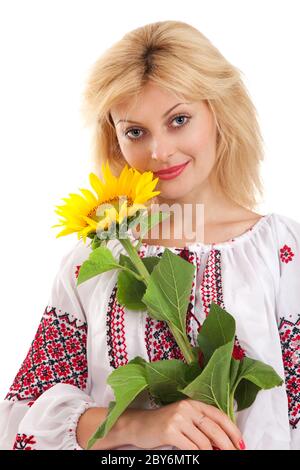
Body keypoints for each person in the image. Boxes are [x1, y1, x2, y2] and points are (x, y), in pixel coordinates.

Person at [0, 20, 299, 451]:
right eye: (135, 131)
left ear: (219, 111)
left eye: (179, 119)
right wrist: (139, 426)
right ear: (114, 138)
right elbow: (21, 417)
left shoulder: (283, 252)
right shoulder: (94, 262)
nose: (158, 151)